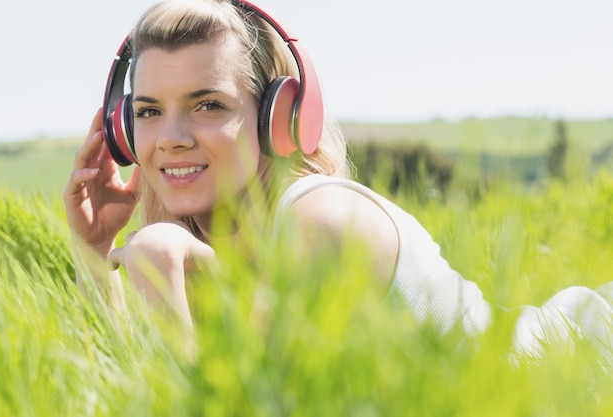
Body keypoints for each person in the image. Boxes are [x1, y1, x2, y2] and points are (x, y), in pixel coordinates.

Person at [64, 0, 612, 359]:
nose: (171, 137)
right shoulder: (203, 244)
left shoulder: (318, 220)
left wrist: (159, 261)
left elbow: (228, 399)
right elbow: (131, 384)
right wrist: (95, 250)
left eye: (208, 104)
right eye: (149, 111)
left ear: (278, 118)